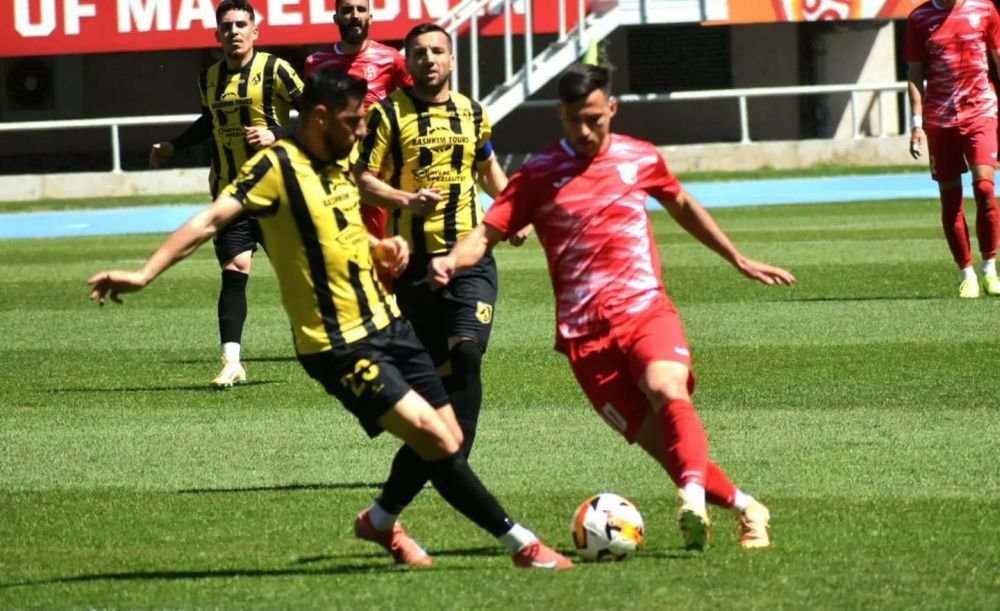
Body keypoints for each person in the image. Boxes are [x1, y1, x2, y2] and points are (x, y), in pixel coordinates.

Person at [88, 69, 572, 571]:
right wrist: (143, 274)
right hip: (337, 344)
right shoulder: (274, 167)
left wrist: (380, 247)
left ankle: (380, 520)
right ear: (321, 117)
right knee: (436, 438)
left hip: (387, 323)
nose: (362, 129)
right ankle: (522, 545)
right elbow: (210, 219)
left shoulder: (340, 160)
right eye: (353, 120)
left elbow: (340, 228)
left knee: (448, 437)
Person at [429, 64, 797, 551]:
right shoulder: (538, 175)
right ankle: (749, 508)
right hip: (584, 337)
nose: (585, 131)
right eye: (574, 120)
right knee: (665, 448)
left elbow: (682, 204)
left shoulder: (639, 158)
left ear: (612, 110)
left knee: (666, 387)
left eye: (595, 119)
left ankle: (691, 499)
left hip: (645, 311)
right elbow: (486, 233)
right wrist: (452, 261)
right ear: (559, 114)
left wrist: (737, 258)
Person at [349, 23, 529, 549]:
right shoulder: (387, 114)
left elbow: (487, 169)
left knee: (466, 354)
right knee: (438, 383)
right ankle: (404, 496)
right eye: (419, 53)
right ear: (407, 62)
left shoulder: (472, 112)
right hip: (414, 269)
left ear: (451, 60)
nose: (429, 59)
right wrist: (405, 201)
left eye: (437, 51)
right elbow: (360, 177)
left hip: (470, 258)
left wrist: (511, 212)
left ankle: (451, 461)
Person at [149, 0, 305, 388]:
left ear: (256, 31)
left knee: (302, 273)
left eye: (241, 24)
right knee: (235, 269)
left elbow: (317, 113)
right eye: (227, 26)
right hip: (230, 194)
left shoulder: (277, 70)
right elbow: (209, 121)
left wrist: (277, 134)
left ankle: (337, 345)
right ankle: (232, 361)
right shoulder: (208, 79)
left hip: (278, 192)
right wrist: (173, 145)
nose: (234, 31)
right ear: (217, 34)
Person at [304, 0, 413, 277]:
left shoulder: (391, 59)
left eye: (361, 10)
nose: (355, 15)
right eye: (347, 10)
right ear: (336, 18)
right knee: (336, 243)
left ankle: (387, 298)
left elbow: (416, 102)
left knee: (381, 248)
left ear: (370, 17)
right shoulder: (316, 63)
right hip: (332, 170)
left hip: (376, 170)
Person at [906, 0, 1000, 298]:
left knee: (984, 188)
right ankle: (966, 273)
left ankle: (990, 269)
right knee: (951, 200)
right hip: (940, 120)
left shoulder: (984, 9)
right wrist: (916, 124)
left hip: (981, 112)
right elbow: (915, 74)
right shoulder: (919, 18)